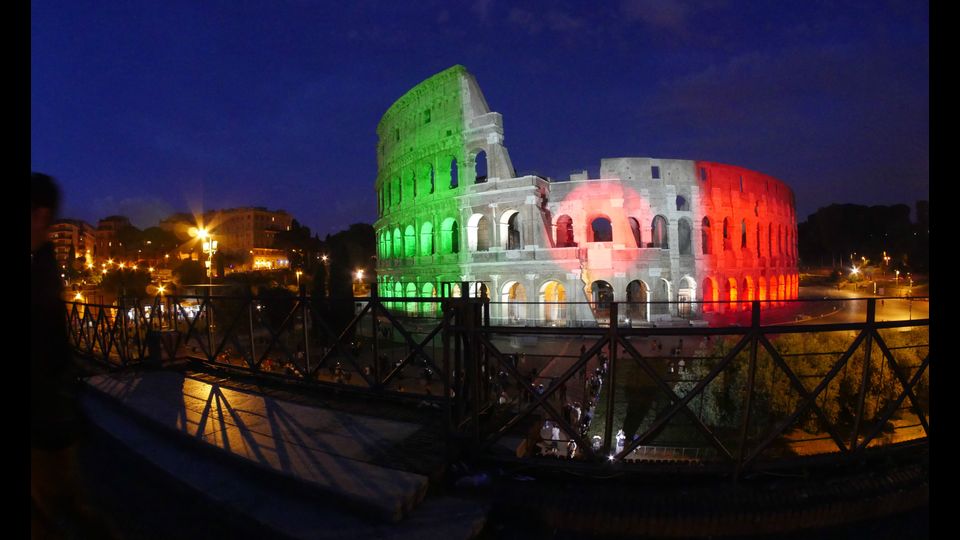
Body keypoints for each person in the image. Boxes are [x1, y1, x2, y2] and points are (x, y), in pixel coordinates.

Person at [31, 173, 115, 538]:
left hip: (45, 416)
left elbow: (49, 345)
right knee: (62, 502)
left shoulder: (42, 268)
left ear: (39, 215)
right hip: (46, 414)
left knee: (58, 504)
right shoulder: (42, 264)